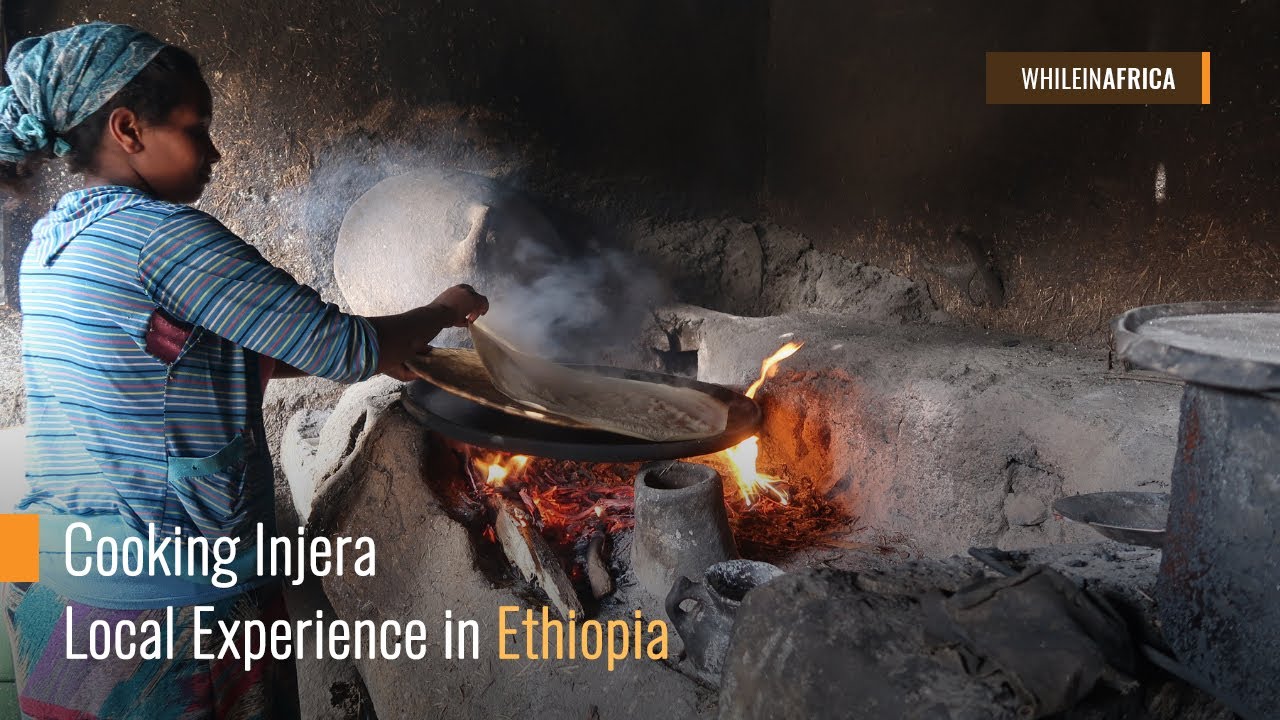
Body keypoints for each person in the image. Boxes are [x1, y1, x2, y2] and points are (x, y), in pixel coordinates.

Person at [0, 22, 488, 718]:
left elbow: (192, 356)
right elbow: (346, 349)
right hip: (164, 622)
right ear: (128, 129)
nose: (217, 153)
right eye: (196, 129)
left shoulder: (53, 239)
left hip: (52, 592)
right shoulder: (164, 238)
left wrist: (406, 349)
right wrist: (445, 307)